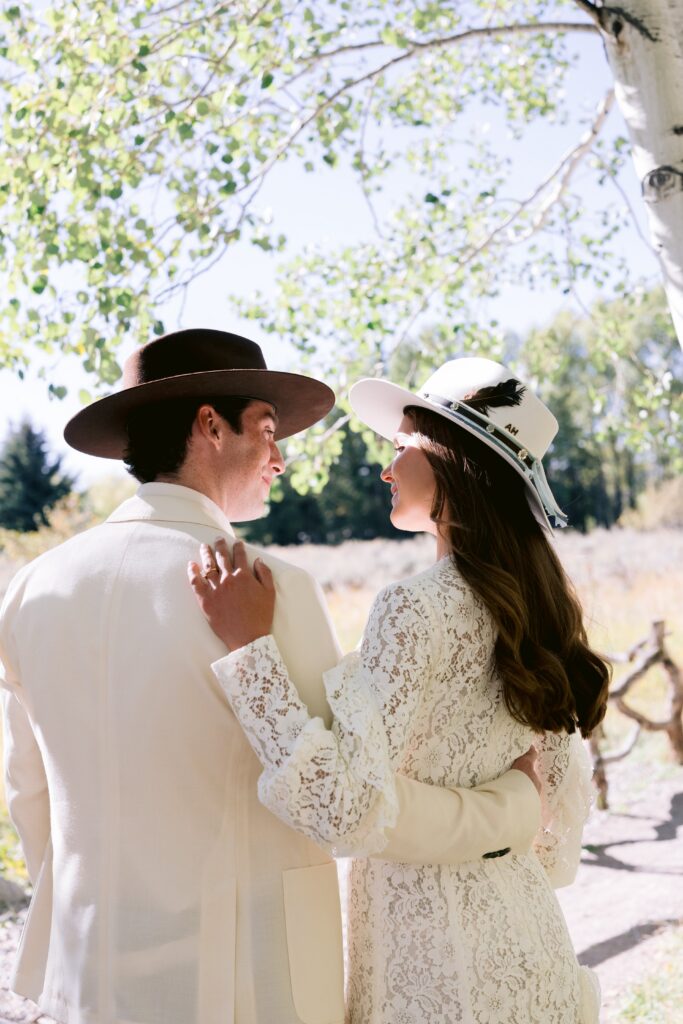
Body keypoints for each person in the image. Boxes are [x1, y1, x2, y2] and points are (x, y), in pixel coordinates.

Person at [0, 332, 542, 1024]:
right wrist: (513, 808)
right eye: (265, 430)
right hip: (249, 983)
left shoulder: (30, 589)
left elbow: (29, 794)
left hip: (89, 977)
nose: (280, 459)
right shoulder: (269, 588)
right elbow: (351, 798)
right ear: (208, 426)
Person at [190, 356, 611, 1024]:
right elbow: (554, 836)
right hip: (531, 944)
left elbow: (342, 807)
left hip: (435, 970)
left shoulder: (414, 608)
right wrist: (498, 803)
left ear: (451, 460)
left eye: (399, 449)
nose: (385, 470)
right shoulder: (538, 603)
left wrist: (249, 653)